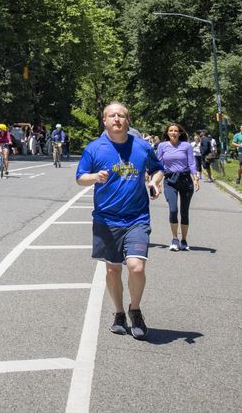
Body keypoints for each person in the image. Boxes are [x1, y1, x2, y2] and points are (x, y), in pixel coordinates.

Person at [75, 102, 164, 341]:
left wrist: (155, 182)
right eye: (112, 115)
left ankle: (135, 310)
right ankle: (118, 313)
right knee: (113, 270)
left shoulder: (142, 147)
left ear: (127, 120)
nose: (116, 119)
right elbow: (80, 178)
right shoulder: (94, 149)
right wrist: (95, 177)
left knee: (136, 266)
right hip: (106, 219)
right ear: (104, 121)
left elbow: (158, 169)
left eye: (121, 115)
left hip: (137, 217)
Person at [156, 123, 200, 251]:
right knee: (173, 209)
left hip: (185, 180)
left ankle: (184, 240)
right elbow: (159, 165)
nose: (173, 132)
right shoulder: (162, 146)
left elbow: (191, 163)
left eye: (176, 131)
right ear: (167, 133)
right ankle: (175, 239)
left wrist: (195, 178)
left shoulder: (186, 146)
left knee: (184, 212)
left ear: (180, 133)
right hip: (170, 180)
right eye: (171, 130)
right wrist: (157, 181)